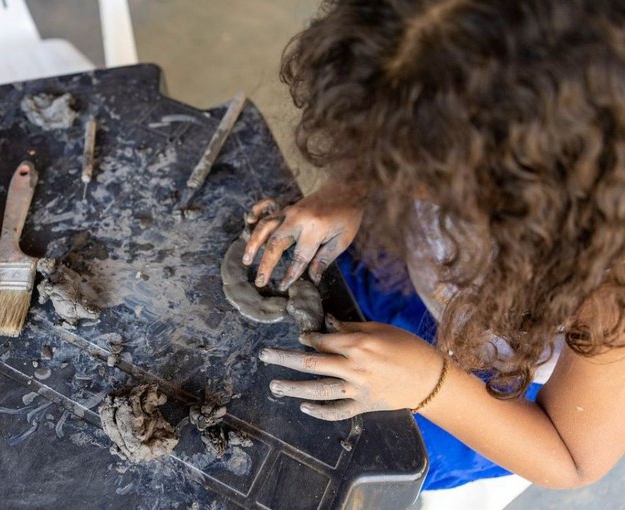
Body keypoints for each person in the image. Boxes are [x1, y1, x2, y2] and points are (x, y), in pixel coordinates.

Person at [243, 0, 625, 507]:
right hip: (409, 282)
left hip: (490, 394)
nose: (393, 184)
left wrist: (428, 383)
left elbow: (573, 458)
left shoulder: (608, 284)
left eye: (410, 174)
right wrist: (347, 190)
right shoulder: (435, 70)